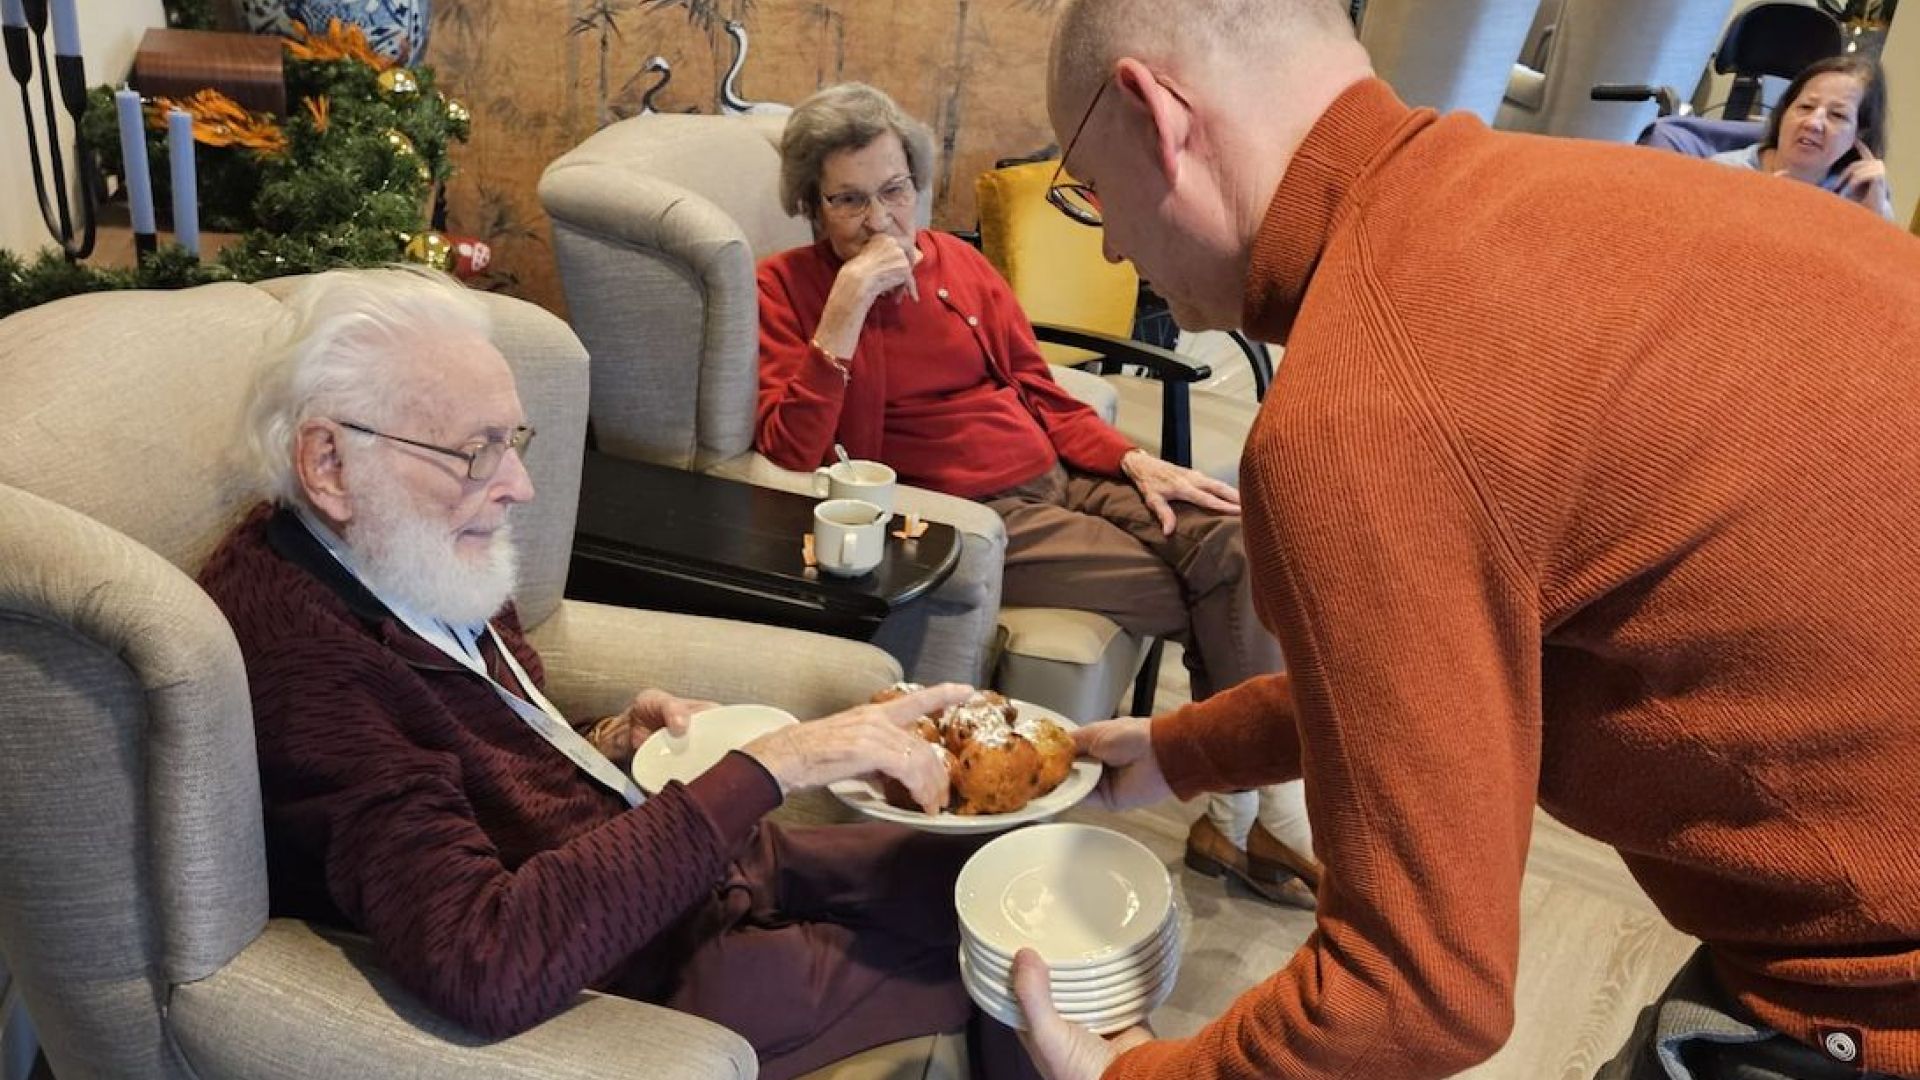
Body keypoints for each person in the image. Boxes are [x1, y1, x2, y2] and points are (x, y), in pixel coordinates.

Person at [1016, 1, 1920, 1078]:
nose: (1112, 237)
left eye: (1088, 189)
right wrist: (1181, 752)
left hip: (1872, 990)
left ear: (1156, 114)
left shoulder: (1363, 405)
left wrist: (1131, 1074)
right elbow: (1447, 673)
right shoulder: (1577, 197)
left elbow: (1413, 995)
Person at [196, 267, 1039, 1079]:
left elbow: (482, 742)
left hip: (668, 872)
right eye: (477, 450)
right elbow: (481, 956)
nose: (519, 485)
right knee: (1023, 965)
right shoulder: (305, 664)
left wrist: (605, 741)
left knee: (998, 872)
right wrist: (774, 767)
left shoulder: (398, 547)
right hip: (638, 966)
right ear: (330, 465)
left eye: (511, 440)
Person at [753, 81, 1319, 906]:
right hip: (979, 518)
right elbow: (792, 451)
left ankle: (1243, 815)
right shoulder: (787, 291)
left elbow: (1034, 384)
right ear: (809, 204)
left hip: (1064, 475)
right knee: (1216, 586)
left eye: (895, 190)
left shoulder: (959, 263)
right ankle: (1256, 820)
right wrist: (845, 314)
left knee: (1236, 536)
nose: (880, 220)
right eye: (848, 200)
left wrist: (1129, 461)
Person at [1708, 55, 1895, 222]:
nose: (1813, 123)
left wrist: (1874, 221)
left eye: (1837, 115)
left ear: (1859, 134)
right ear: (1783, 113)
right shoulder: (1723, 171)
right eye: (1806, 107)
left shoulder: (1860, 196)